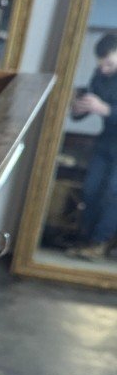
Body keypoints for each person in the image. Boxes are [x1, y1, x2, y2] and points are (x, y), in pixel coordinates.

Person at [67, 31, 117, 260]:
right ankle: (87, 240)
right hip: (106, 141)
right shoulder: (100, 74)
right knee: (90, 189)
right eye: (101, 64)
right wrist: (79, 109)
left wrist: (105, 109)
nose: (104, 69)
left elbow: (104, 108)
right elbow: (89, 104)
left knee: (112, 193)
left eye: (108, 63)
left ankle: (100, 242)